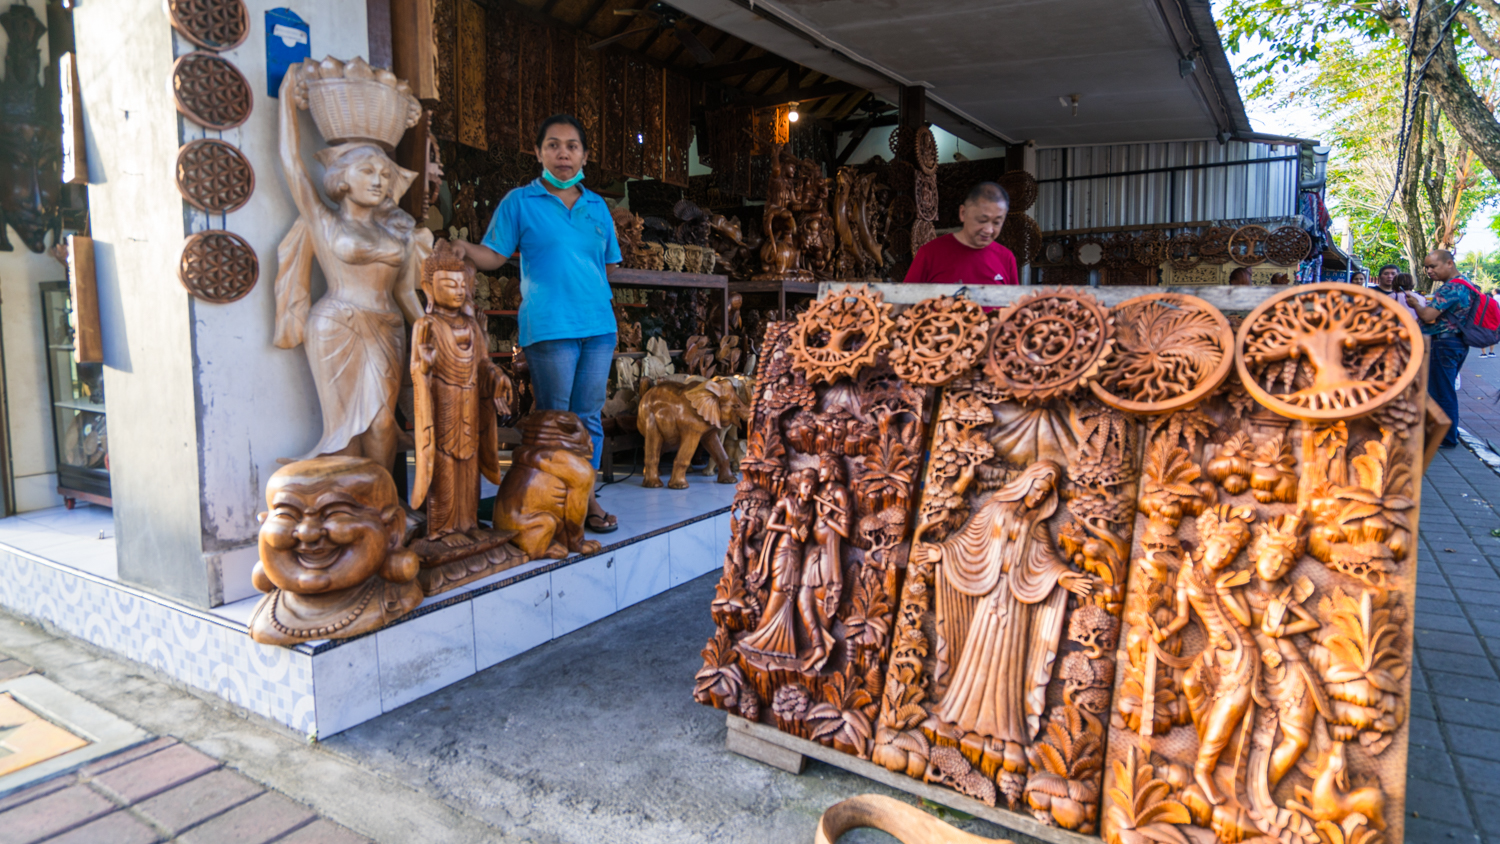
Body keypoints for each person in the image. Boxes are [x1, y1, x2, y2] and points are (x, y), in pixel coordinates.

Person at [448, 114, 621, 532]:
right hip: (549, 327)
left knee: (588, 417)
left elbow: (610, 265)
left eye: (572, 146)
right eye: (553, 145)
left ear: (584, 155)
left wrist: (582, 287)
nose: (563, 153)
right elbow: (495, 255)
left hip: (599, 327)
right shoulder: (520, 202)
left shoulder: (598, 206)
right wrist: (463, 248)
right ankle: (551, 498)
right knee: (555, 417)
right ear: (539, 152)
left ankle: (585, 500)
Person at [903, 182, 1020, 285]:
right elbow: (904, 300)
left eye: (997, 222)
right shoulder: (929, 253)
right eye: (982, 220)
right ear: (963, 213)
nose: (989, 230)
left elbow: (1016, 301)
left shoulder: (1006, 258)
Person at [1412, 249, 1472, 448]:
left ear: (1449, 263)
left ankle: (1445, 437)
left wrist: (1416, 304)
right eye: (1427, 267)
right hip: (1456, 343)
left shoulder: (1452, 287)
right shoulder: (1466, 284)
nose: (1429, 271)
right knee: (1443, 389)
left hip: (1443, 344)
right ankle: (1446, 434)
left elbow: (1428, 315)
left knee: (1441, 391)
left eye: (1433, 266)